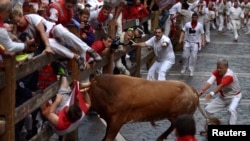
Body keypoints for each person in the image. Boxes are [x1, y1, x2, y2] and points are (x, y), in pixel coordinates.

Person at [199, 58, 242, 134]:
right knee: (208, 109)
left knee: (231, 110)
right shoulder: (216, 73)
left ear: (226, 67)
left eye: (220, 68)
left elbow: (221, 86)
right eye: (217, 67)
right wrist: (201, 91)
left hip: (234, 97)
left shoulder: (229, 75)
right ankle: (212, 127)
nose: (218, 69)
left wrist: (211, 94)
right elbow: (209, 82)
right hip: (223, 97)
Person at [179, 12, 205, 76]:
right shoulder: (187, 24)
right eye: (193, 17)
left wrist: (203, 41)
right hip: (187, 42)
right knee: (184, 56)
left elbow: (202, 33)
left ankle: (191, 70)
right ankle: (184, 67)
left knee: (193, 56)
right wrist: (180, 39)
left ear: (197, 18)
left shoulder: (200, 25)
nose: (194, 19)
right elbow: (183, 31)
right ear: (191, 18)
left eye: (195, 18)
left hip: (195, 43)